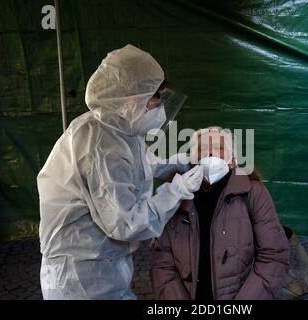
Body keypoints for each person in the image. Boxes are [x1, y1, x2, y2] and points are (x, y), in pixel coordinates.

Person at [37, 44, 204, 300]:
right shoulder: (100, 144)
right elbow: (127, 223)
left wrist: (181, 161)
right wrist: (176, 191)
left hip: (103, 266)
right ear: (132, 100)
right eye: (156, 98)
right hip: (80, 278)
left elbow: (142, 165)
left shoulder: (121, 129)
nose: (161, 107)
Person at [150, 127, 290, 300]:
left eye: (219, 148)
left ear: (233, 160)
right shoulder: (175, 195)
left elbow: (273, 255)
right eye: (202, 149)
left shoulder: (254, 193)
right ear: (192, 158)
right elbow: (162, 259)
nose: (210, 154)